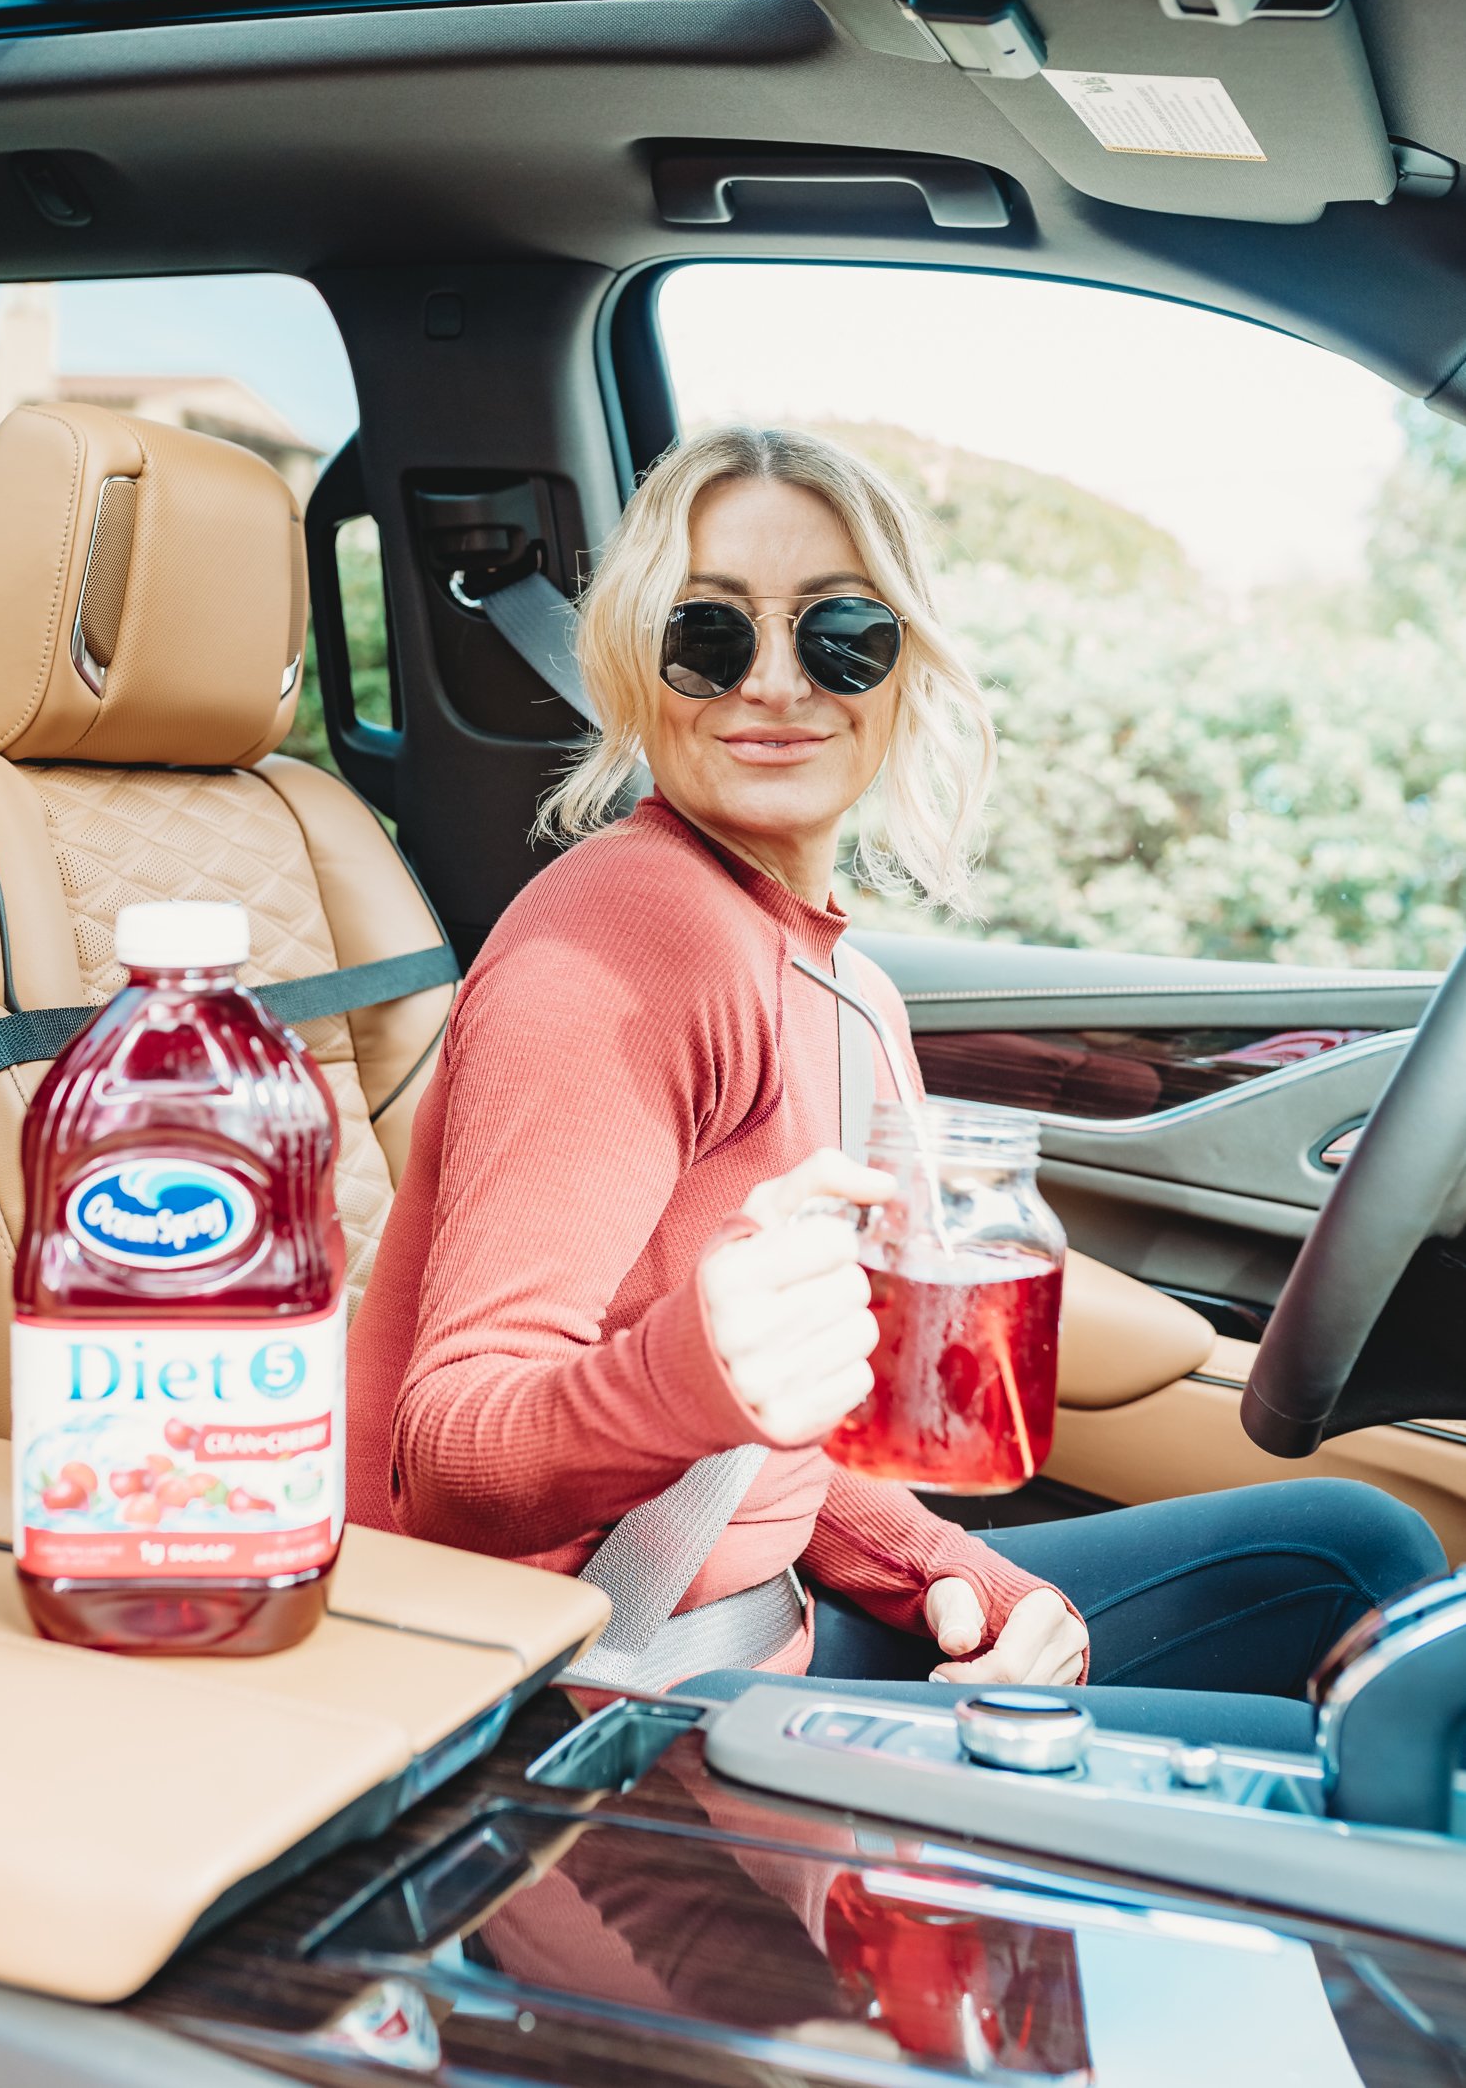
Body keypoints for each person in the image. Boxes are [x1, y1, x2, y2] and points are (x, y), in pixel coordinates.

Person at [346, 427, 1443, 1749]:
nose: (771, 680)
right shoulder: (618, 948)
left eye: (841, 632)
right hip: (584, 1699)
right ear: (641, 666)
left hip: (767, 1617)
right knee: (1365, 1785)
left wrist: (955, 1579)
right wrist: (687, 1375)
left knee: (1358, 1550)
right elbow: (448, 1458)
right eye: (709, 633)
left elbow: (778, 1449)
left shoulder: (839, 982)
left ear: (905, 664)